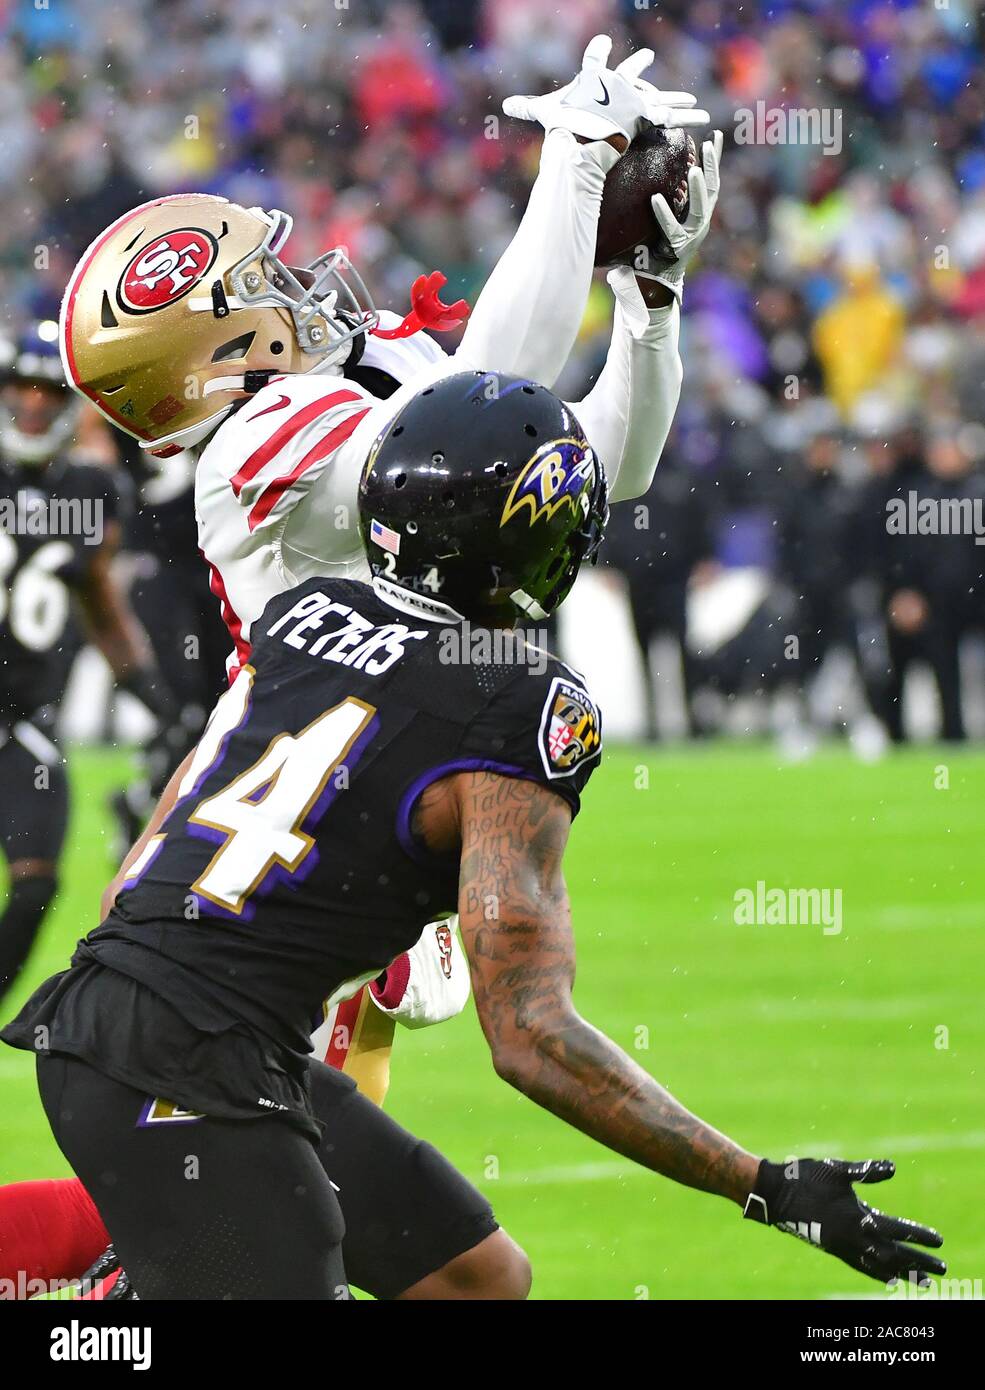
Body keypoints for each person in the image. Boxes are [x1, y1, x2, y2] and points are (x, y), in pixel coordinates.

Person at [2, 374, 946, 1299]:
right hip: (185, 1065)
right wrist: (763, 1186)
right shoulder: (520, 705)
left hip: (137, 1024)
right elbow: (530, 1035)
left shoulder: (300, 616)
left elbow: (133, 880)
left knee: (474, 1278)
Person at [0, 328, 174, 1004]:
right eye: (23, 391)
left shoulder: (92, 489)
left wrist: (159, 701)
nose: (35, 407)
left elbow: (101, 606)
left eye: (48, 393)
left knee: (38, 883)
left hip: (25, 724)